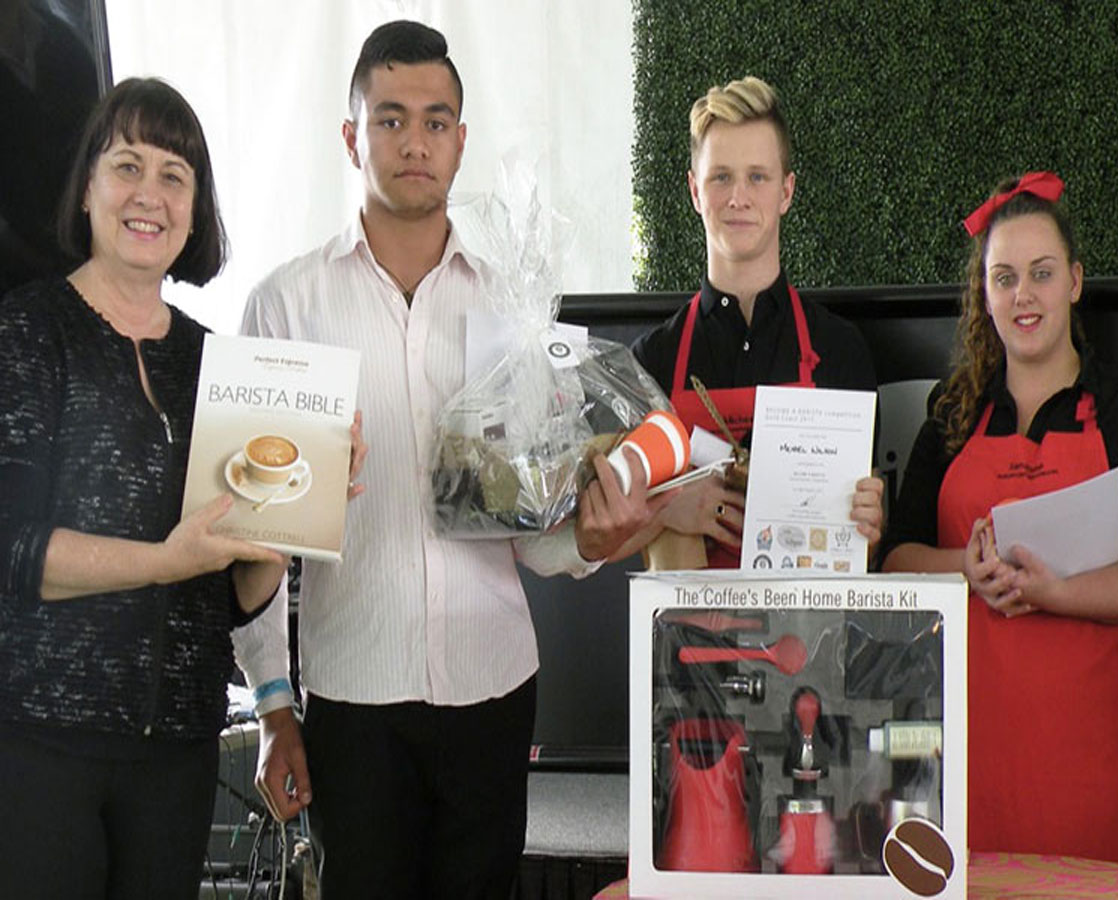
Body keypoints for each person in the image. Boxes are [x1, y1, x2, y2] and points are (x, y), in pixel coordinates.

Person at [232, 21, 658, 899]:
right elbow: (254, 533)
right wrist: (275, 702)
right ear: (352, 136)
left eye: (434, 121)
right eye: (389, 120)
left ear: (461, 142)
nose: (412, 142)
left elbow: (528, 531)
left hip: (494, 684)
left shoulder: (513, 306)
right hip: (353, 695)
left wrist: (591, 539)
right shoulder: (284, 307)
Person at [0, 78, 294, 899]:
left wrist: (291, 528)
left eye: (175, 175)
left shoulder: (218, 362)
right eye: (127, 164)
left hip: (178, 750)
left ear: (196, 212)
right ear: (88, 186)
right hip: (37, 744)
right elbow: (14, 550)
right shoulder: (26, 332)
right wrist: (165, 560)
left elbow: (235, 592)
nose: (149, 194)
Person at [880, 172, 1118, 866]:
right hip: (964, 757)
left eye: (1042, 274)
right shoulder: (951, 416)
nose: (1023, 295)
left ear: (1075, 282)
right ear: (984, 296)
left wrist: (1055, 593)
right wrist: (961, 568)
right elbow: (896, 558)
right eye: (1004, 278)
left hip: (1094, 760)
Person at [630, 76, 883, 568]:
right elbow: (604, 531)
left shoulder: (840, 350)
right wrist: (663, 508)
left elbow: (864, 545)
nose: (738, 197)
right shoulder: (652, 362)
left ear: (786, 191)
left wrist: (872, 524)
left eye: (758, 177)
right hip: (684, 643)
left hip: (809, 642)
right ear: (694, 192)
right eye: (720, 177)